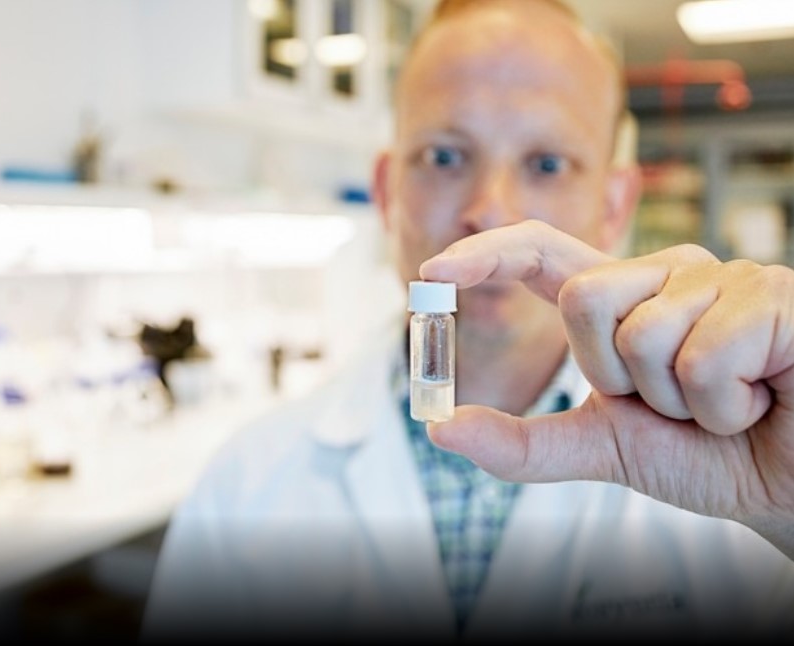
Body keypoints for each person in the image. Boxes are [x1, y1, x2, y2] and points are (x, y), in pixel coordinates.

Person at [141, 0, 794, 641]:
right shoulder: (245, 483)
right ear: (387, 191)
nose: (490, 212)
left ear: (615, 205)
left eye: (546, 164)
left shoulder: (734, 466)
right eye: (445, 157)